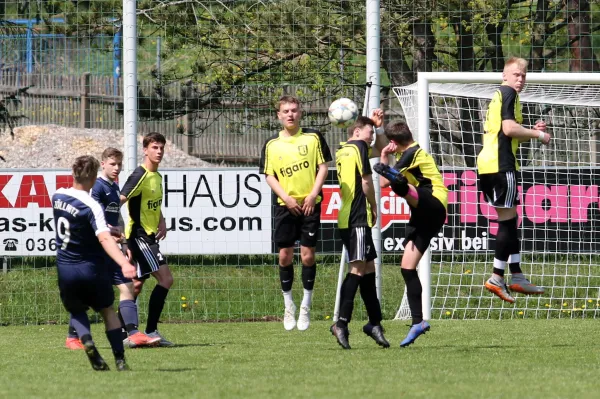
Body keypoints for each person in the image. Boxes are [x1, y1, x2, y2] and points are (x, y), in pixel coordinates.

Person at [65, 148, 160, 350]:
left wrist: (124, 242)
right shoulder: (97, 187)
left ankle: (134, 334)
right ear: (103, 164)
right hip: (97, 248)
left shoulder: (115, 189)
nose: (117, 168)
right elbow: (92, 215)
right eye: (113, 164)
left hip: (113, 248)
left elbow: (117, 218)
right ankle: (72, 337)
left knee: (127, 286)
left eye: (119, 164)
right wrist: (109, 230)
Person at [53, 155, 137, 371]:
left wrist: (109, 229)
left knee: (77, 311)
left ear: (73, 173)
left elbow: (78, 225)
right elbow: (104, 239)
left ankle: (87, 342)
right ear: (93, 178)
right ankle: (120, 359)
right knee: (107, 310)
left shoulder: (57, 196)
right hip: (90, 268)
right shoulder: (92, 206)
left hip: (65, 269)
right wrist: (123, 263)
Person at [477, 57, 551, 303]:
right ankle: (498, 277)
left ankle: (517, 275)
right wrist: (539, 134)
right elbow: (508, 129)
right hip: (500, 165)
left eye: (523, 76)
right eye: (516, 74)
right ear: (504, 75)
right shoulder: (507, 92)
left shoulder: (500, 96)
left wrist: (528, 129)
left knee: (510, 218)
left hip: (489, 165)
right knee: (508, 223)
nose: (520, 79)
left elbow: (506, 133)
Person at [259, 95, 332, 331]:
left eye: (294, 110)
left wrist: (312, 194)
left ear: (300, 113)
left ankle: (305, 307)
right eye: (285, 111)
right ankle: (288, 305)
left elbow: (323, 167)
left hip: (310, 203)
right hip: (285, 205)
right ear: (278, 116)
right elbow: (269, 174)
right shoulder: (272, 144)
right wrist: (286, 197)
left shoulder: (313, 137)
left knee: (308, 256)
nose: (290, 114)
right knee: (284, 256)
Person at [373, 121, 448, 347]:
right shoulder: (407, 153)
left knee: (398, 182)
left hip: (434, 203)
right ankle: (418, 322)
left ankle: (402, 183)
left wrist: (384, 161)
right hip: (422, 214)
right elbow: (387, 180)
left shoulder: (413, 153)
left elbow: (385, 182)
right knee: (407, 268)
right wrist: (386, 160)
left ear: (394, 143)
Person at [330, 111, 391, 350]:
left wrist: (379, 127)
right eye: (369, 132)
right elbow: (367, 181)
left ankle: (374, 323)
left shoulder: (346, 149)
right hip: (356, 217)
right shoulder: (358, 147)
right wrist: (375, 206)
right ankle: (341, 323)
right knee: (357, 269)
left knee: (367, 268)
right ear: (357, 132)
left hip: (349, 217)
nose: (372, 136)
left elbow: (385, 150)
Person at [120, 132, 174, 346]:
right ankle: (150, 331)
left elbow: (153, 203)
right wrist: (120, 235)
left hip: (150, 236)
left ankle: (124, 333)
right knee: (166, 279)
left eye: (161, 148)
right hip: (139, 237)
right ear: (145, 150)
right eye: (154, 147)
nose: (159, 152)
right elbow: (120, 199)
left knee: (136, 285)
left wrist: (161, 219)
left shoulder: (157, 176)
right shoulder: (139, 174)